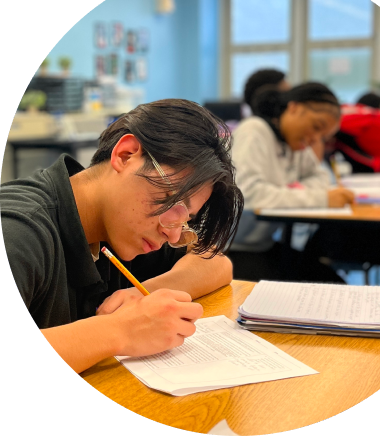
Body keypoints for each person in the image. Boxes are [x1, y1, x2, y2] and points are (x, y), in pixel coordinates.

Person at [0, 99, 244, 373]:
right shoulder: (19, 229)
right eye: (172, 203)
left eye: (185, 218)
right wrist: (121, 331)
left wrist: (145, 299)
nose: (173, 234)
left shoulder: (117, 225)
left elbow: (214, 263)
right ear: (126, 156)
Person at [228, 82, 354, 283]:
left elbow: (322, 177)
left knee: (334, 284)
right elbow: (246, 196)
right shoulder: (255, 130)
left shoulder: (295, 143)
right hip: (231, 251)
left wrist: (289, 193)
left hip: (264, 246)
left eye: (323, 137)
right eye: (316, 127)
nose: (315, 139)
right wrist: (318, 198)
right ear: (294, 108)